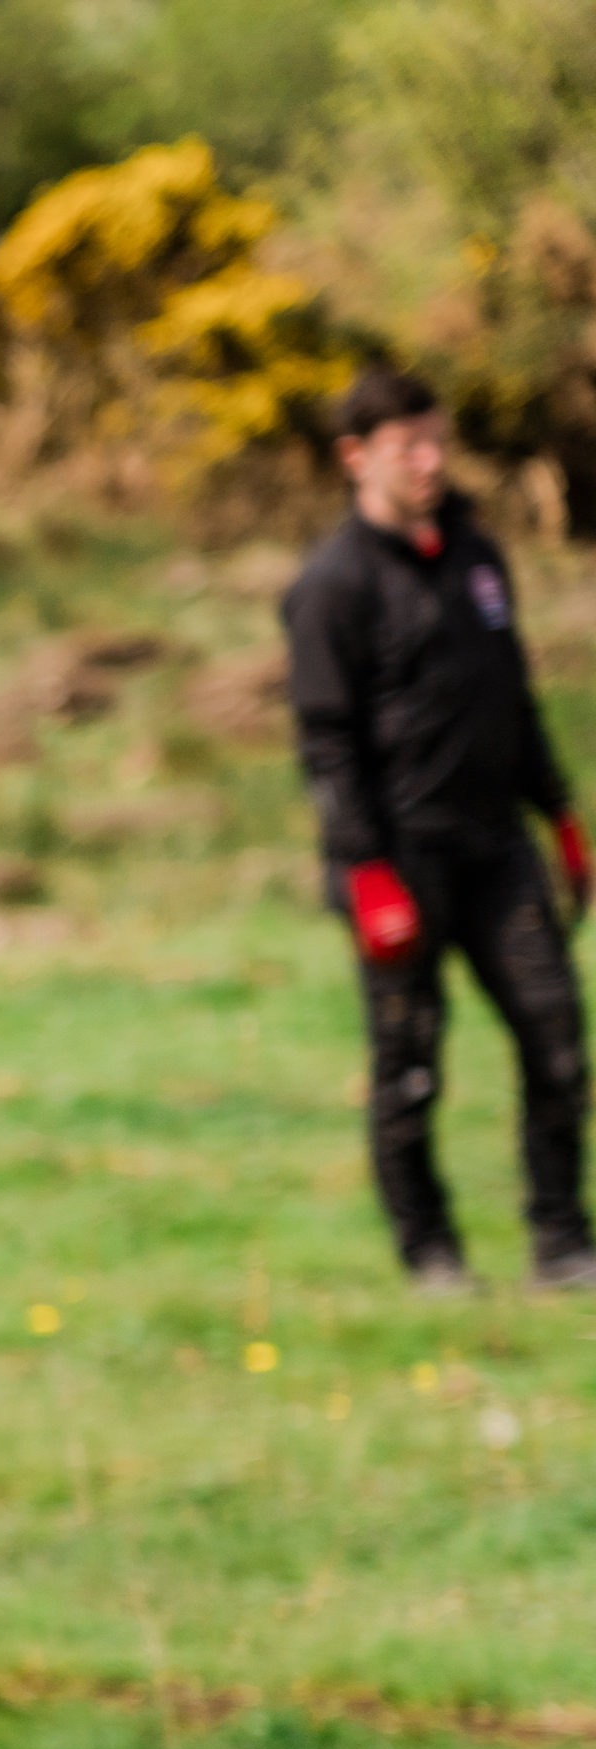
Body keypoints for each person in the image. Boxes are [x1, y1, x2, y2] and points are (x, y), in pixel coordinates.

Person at [281, 363, 595, 1293]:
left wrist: (562, 817)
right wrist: (366, 872)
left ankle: (563, 1244)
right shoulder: (331, 587)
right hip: (399, 859)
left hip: (497, 847)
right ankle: (431, 1254)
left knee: (559, 1043)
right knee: (411, 1068)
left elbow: (515, 698)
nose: (430, 461)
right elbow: (325, 745)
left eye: (438, 441)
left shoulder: (476, 557)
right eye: (408, 446)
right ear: (355, 458)